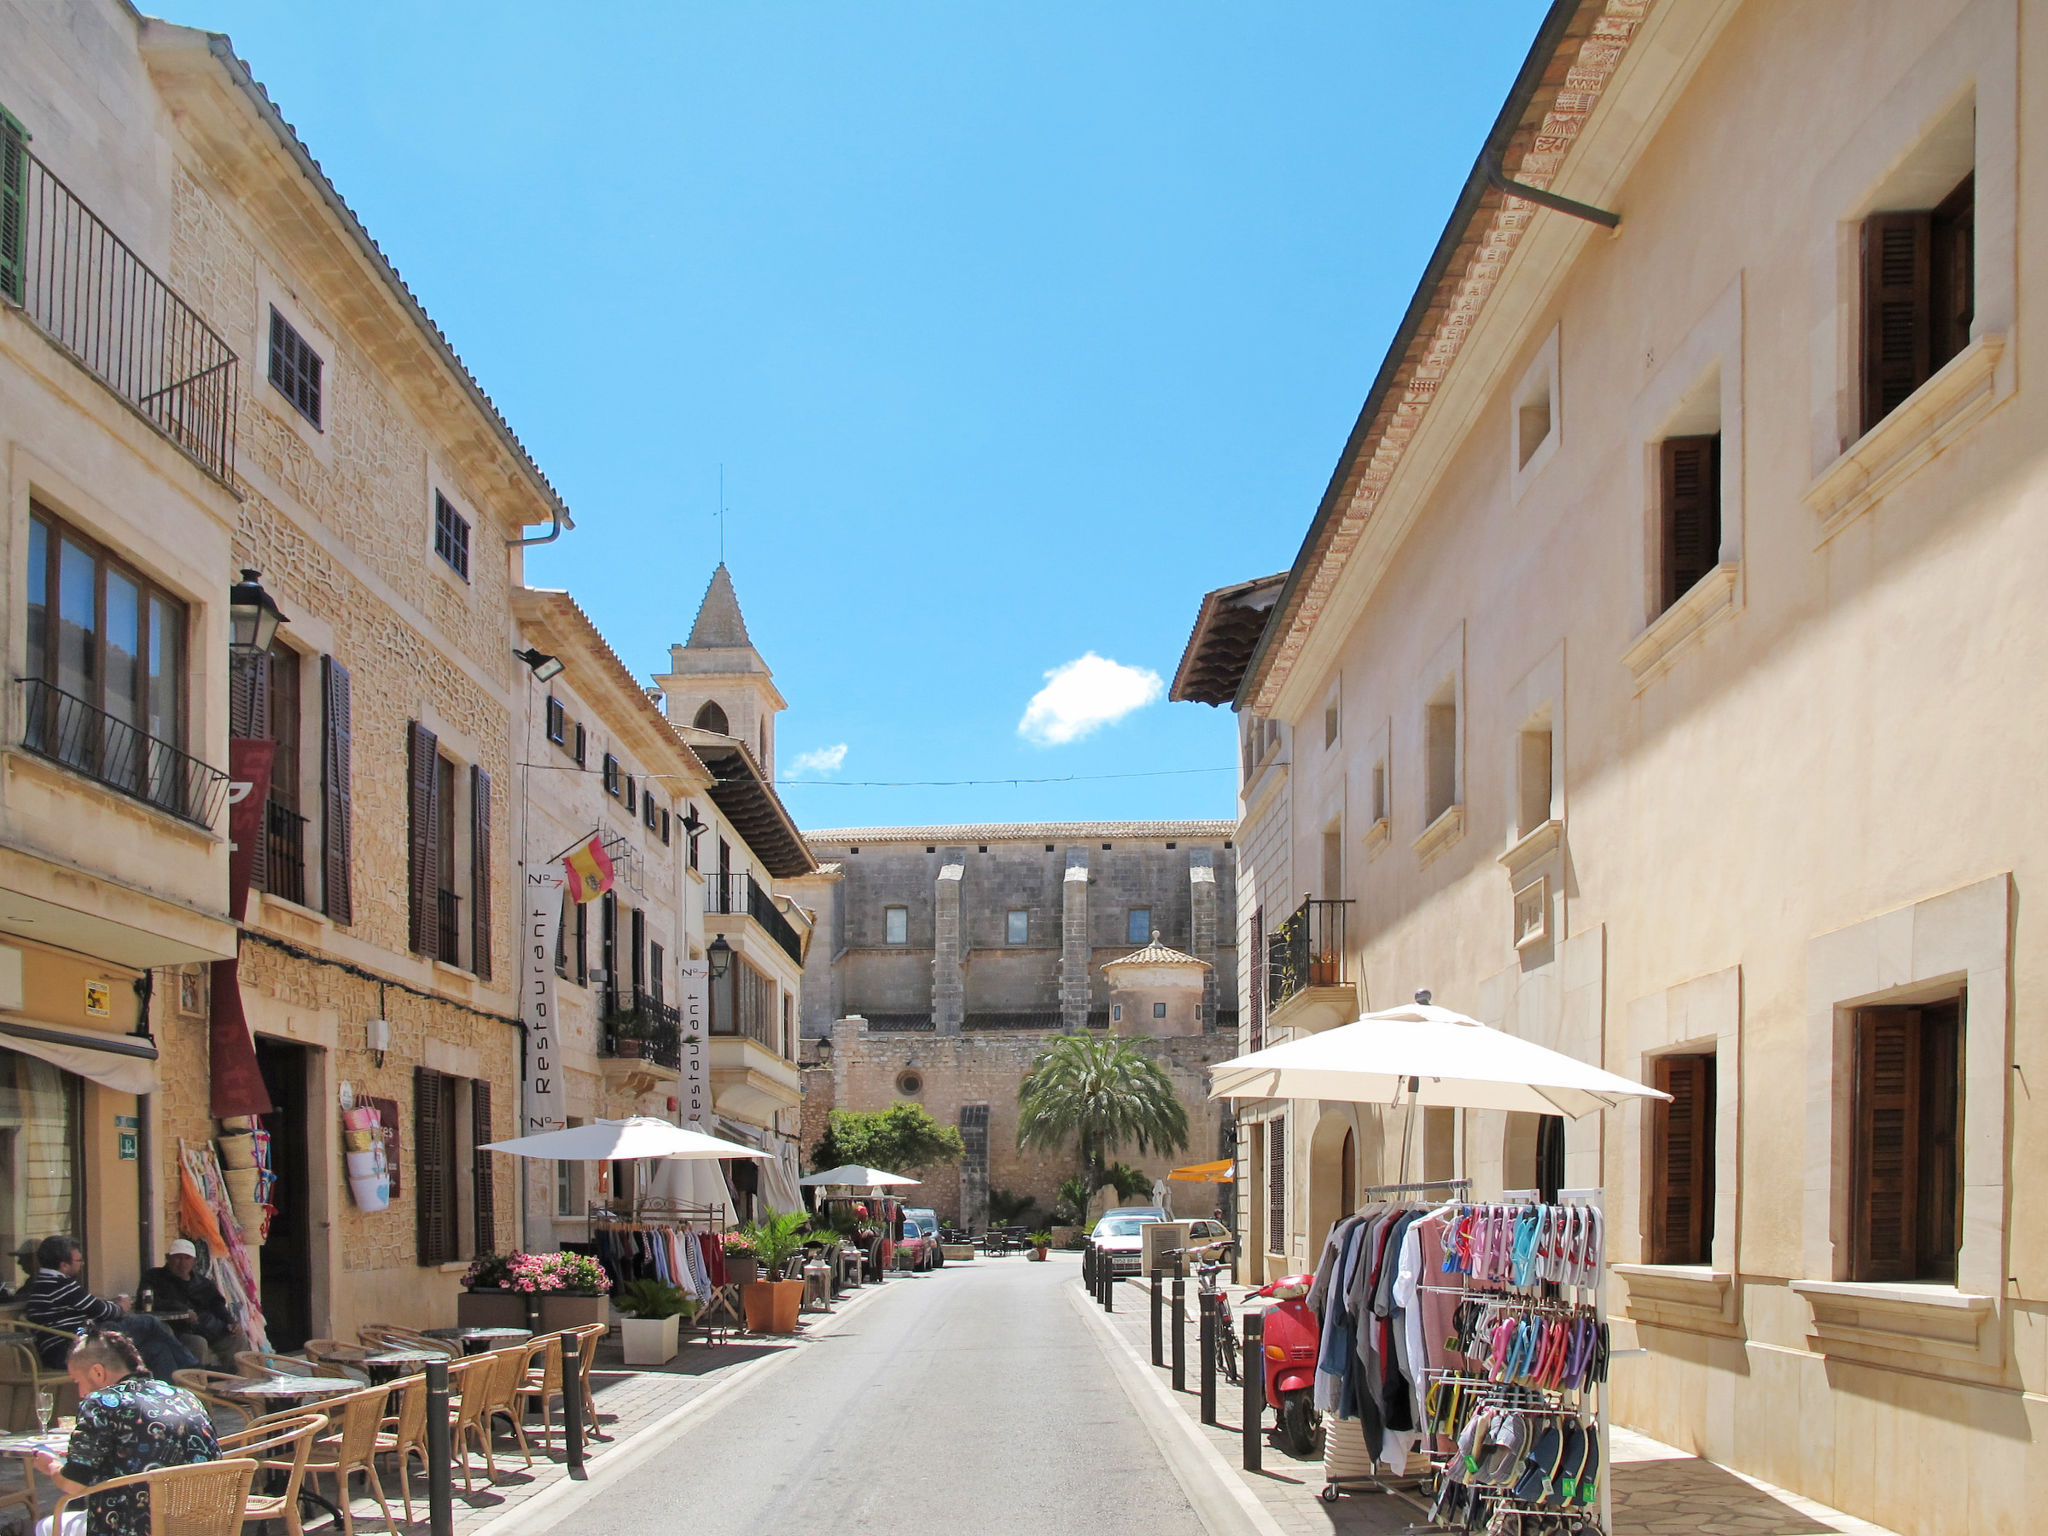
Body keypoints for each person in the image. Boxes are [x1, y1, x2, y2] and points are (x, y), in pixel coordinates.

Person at [30, 1330, 219, 1536]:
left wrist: (52, 1466)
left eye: (78, 1382)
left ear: (98, 1372)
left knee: (46, 1527)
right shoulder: (186, 1397)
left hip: (134, 1527)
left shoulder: (100, 1403)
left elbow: (74, 1484)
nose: (80, 1393)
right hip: (200, 1526)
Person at [18, 1237, 197, 1383]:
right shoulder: (61, 1285)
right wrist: (121, 1307)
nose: (82, 1264)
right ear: (64, 1265)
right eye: (79, 1260)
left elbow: (91, 1305)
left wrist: (111, 1307)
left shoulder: (44, 1283)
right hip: (72, 1350)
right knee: (149, 1322)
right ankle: (195, 1369)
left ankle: (168, 1398)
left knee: (157, 1349)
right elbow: (105, 1311)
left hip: (74, 1345)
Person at [139, 1240, 247, 1367]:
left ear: (194, 1261)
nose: (182, 1263)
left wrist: (231, 1322)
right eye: (178, 1258)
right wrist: (182, 1310)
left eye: (187, 1258)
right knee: (197, 1343)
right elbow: (147, 1302)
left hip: (206, 1328)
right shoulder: (153, 1277)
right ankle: (195, 1379)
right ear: (168, 1258)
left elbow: (217, 1304)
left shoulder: (203, 1283)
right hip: (175, 1330)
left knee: (238, 1339)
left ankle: (235, 1377)